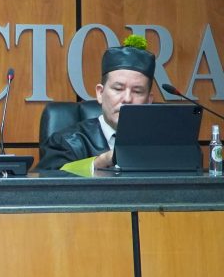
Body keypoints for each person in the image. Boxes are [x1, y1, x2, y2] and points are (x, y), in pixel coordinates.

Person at [38, 35, 155, 174]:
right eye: (118, 89)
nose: (127, 99)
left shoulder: (164, 144)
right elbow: (47, 180)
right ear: (100, 93)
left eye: (137, 91)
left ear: (149, 100)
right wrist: (101, 162)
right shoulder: (66, 142)